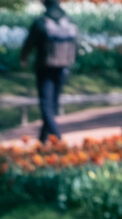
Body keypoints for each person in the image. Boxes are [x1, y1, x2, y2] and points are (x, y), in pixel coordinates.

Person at [19, 0, 82, 143]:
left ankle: (57, 137)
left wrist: (23, 58)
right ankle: (43, 139)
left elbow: (29, 43)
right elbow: (77, 44)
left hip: (45, 67)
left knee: (46, 103)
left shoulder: (41, 22)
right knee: (52, 103)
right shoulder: (68, 21)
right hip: (63, 66)